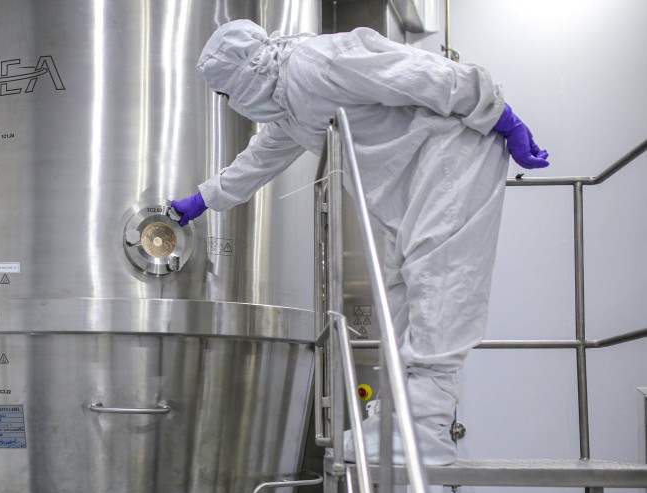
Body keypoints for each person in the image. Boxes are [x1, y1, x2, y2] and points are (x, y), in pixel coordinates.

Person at [171, 21, 548, 466]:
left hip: (452, 152)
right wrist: (204, 199)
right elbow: (260, 158)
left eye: (225, 93)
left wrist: (497, 112)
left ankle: (427, 427)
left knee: (440, 284)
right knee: (403, 294)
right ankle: (396, 419)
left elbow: (417, 70)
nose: (230, 103)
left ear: (241, 75)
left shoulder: (313, 64)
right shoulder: (286, 105)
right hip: (409, 182)